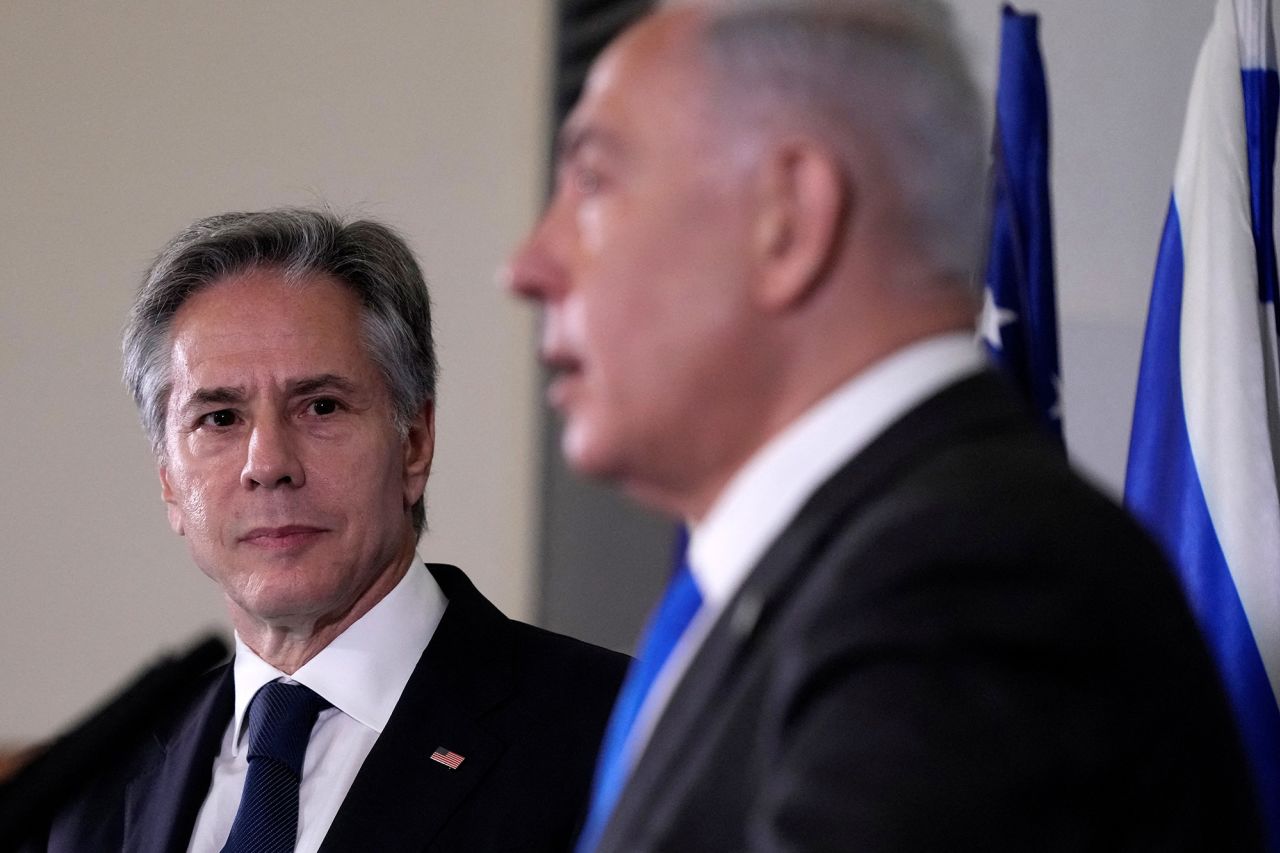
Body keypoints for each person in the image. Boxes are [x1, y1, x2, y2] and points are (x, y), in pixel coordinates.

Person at [505, 1, 1262, 850]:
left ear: (788, 218)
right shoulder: (820, 580)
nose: (528, 265)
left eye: (595, 182)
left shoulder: (977, 585)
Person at [28, 208, 628, 852]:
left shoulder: (614, 732)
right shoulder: (91, 787)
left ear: (415, 443)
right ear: (170, 480)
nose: (269, 465)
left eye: (320, 406)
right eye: (220, 418)